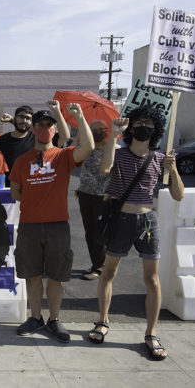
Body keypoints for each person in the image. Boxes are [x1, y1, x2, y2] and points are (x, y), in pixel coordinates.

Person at [89, 105, 184, 361]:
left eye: (149, 124)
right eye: (140, 122)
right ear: (132, 127)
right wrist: (114, 135)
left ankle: (151, 333)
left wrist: (172, 168)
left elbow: (178, 195)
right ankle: (102, 321)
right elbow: (104, 169)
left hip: (147, 221)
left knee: (152, 280)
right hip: (120, 219)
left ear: (157, 129)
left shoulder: (159, 158)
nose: (145, 127)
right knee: (109, 272)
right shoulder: (120, 154)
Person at [10, 103, 94, 343]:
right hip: (29, 225)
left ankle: (54, 319)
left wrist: (79, 117)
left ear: (55, 128)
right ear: (34, 129)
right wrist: (36, 198)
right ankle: (35, 317)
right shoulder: (22, 161)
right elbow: (15, 191)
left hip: (58, 226)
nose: (45, 128)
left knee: (56, 276)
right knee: (33, 275)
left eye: (49, 125)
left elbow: (86, 147)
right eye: (40, 125)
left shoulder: (63, 156)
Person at [0, 100, 70, 186]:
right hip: (9, 189)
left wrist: (56, 111)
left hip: (33, 187)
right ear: (15, 118)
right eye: (21, 117)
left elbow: (65, 137)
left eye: (28, 118)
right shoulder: (2, 140)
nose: (24, 120)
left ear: (32, 123)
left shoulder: (38, 138)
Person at [76, 119, 114, 280]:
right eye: (94, 129)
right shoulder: (87, 149)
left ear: (108, 130)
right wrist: (80, 134)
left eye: (101, 129)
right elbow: (72, 154)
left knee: (100, 234)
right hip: (85, 195)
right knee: (89, 233)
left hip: (103, 198)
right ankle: (95, 264)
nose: (98, 131)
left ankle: (100, 267)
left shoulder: (113, 150)